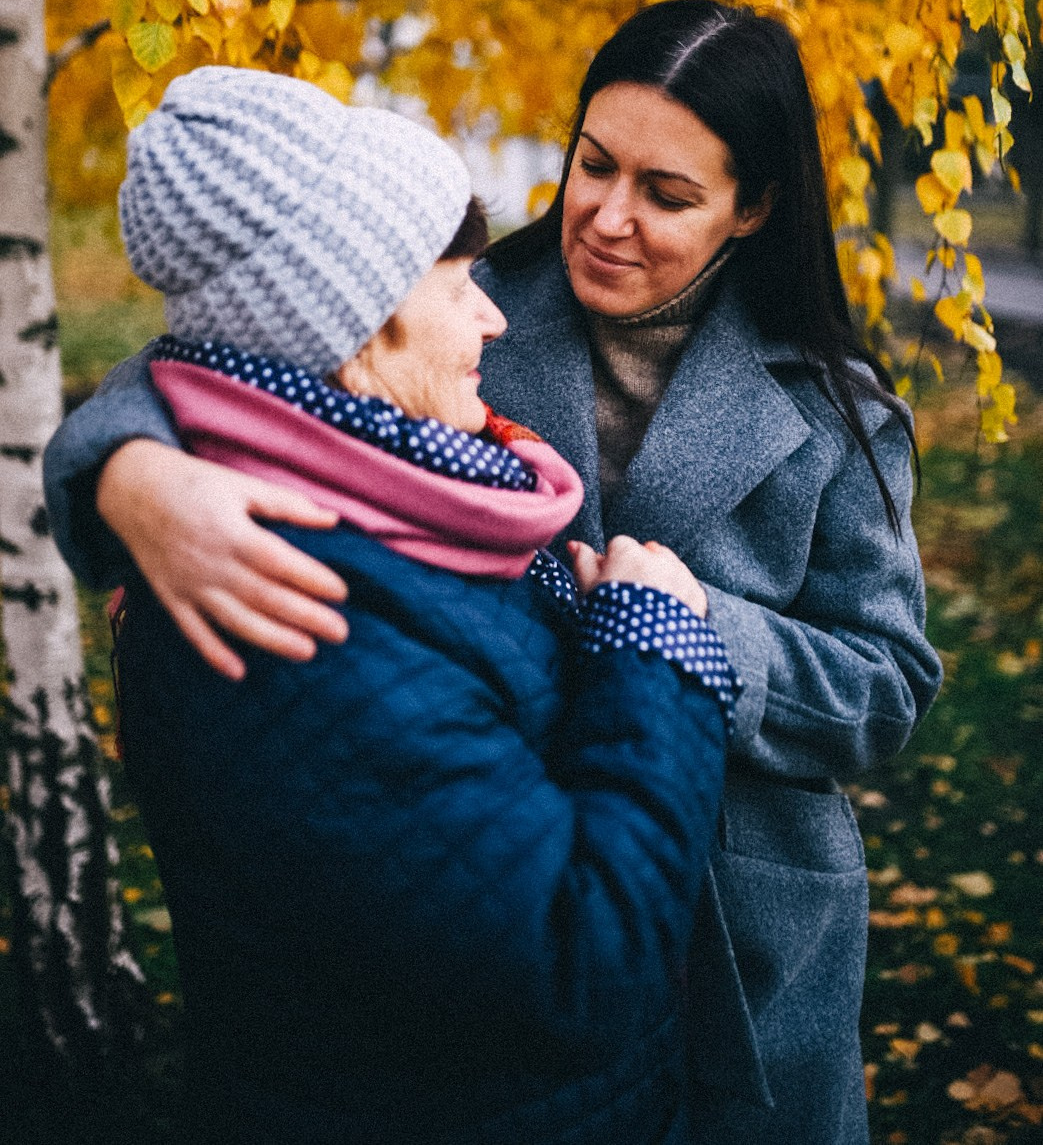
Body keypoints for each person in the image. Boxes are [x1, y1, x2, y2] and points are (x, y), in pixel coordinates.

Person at [45, 1, 942, 1144]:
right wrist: (125, 468)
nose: (607, 218)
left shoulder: (839, 415)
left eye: (666, 195)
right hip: (502, 885)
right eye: (591, 164)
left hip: (746, 928)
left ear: (752, 208)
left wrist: (688, 625)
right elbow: (225, 353)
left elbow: (888, 681)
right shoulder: (461, 306)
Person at [77, 65, 737, 1145]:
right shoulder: (298, 610)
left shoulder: (388, 490)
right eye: (457, 282)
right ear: (358, 325)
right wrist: (652, 652)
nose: (492, 315)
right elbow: (578, 964)